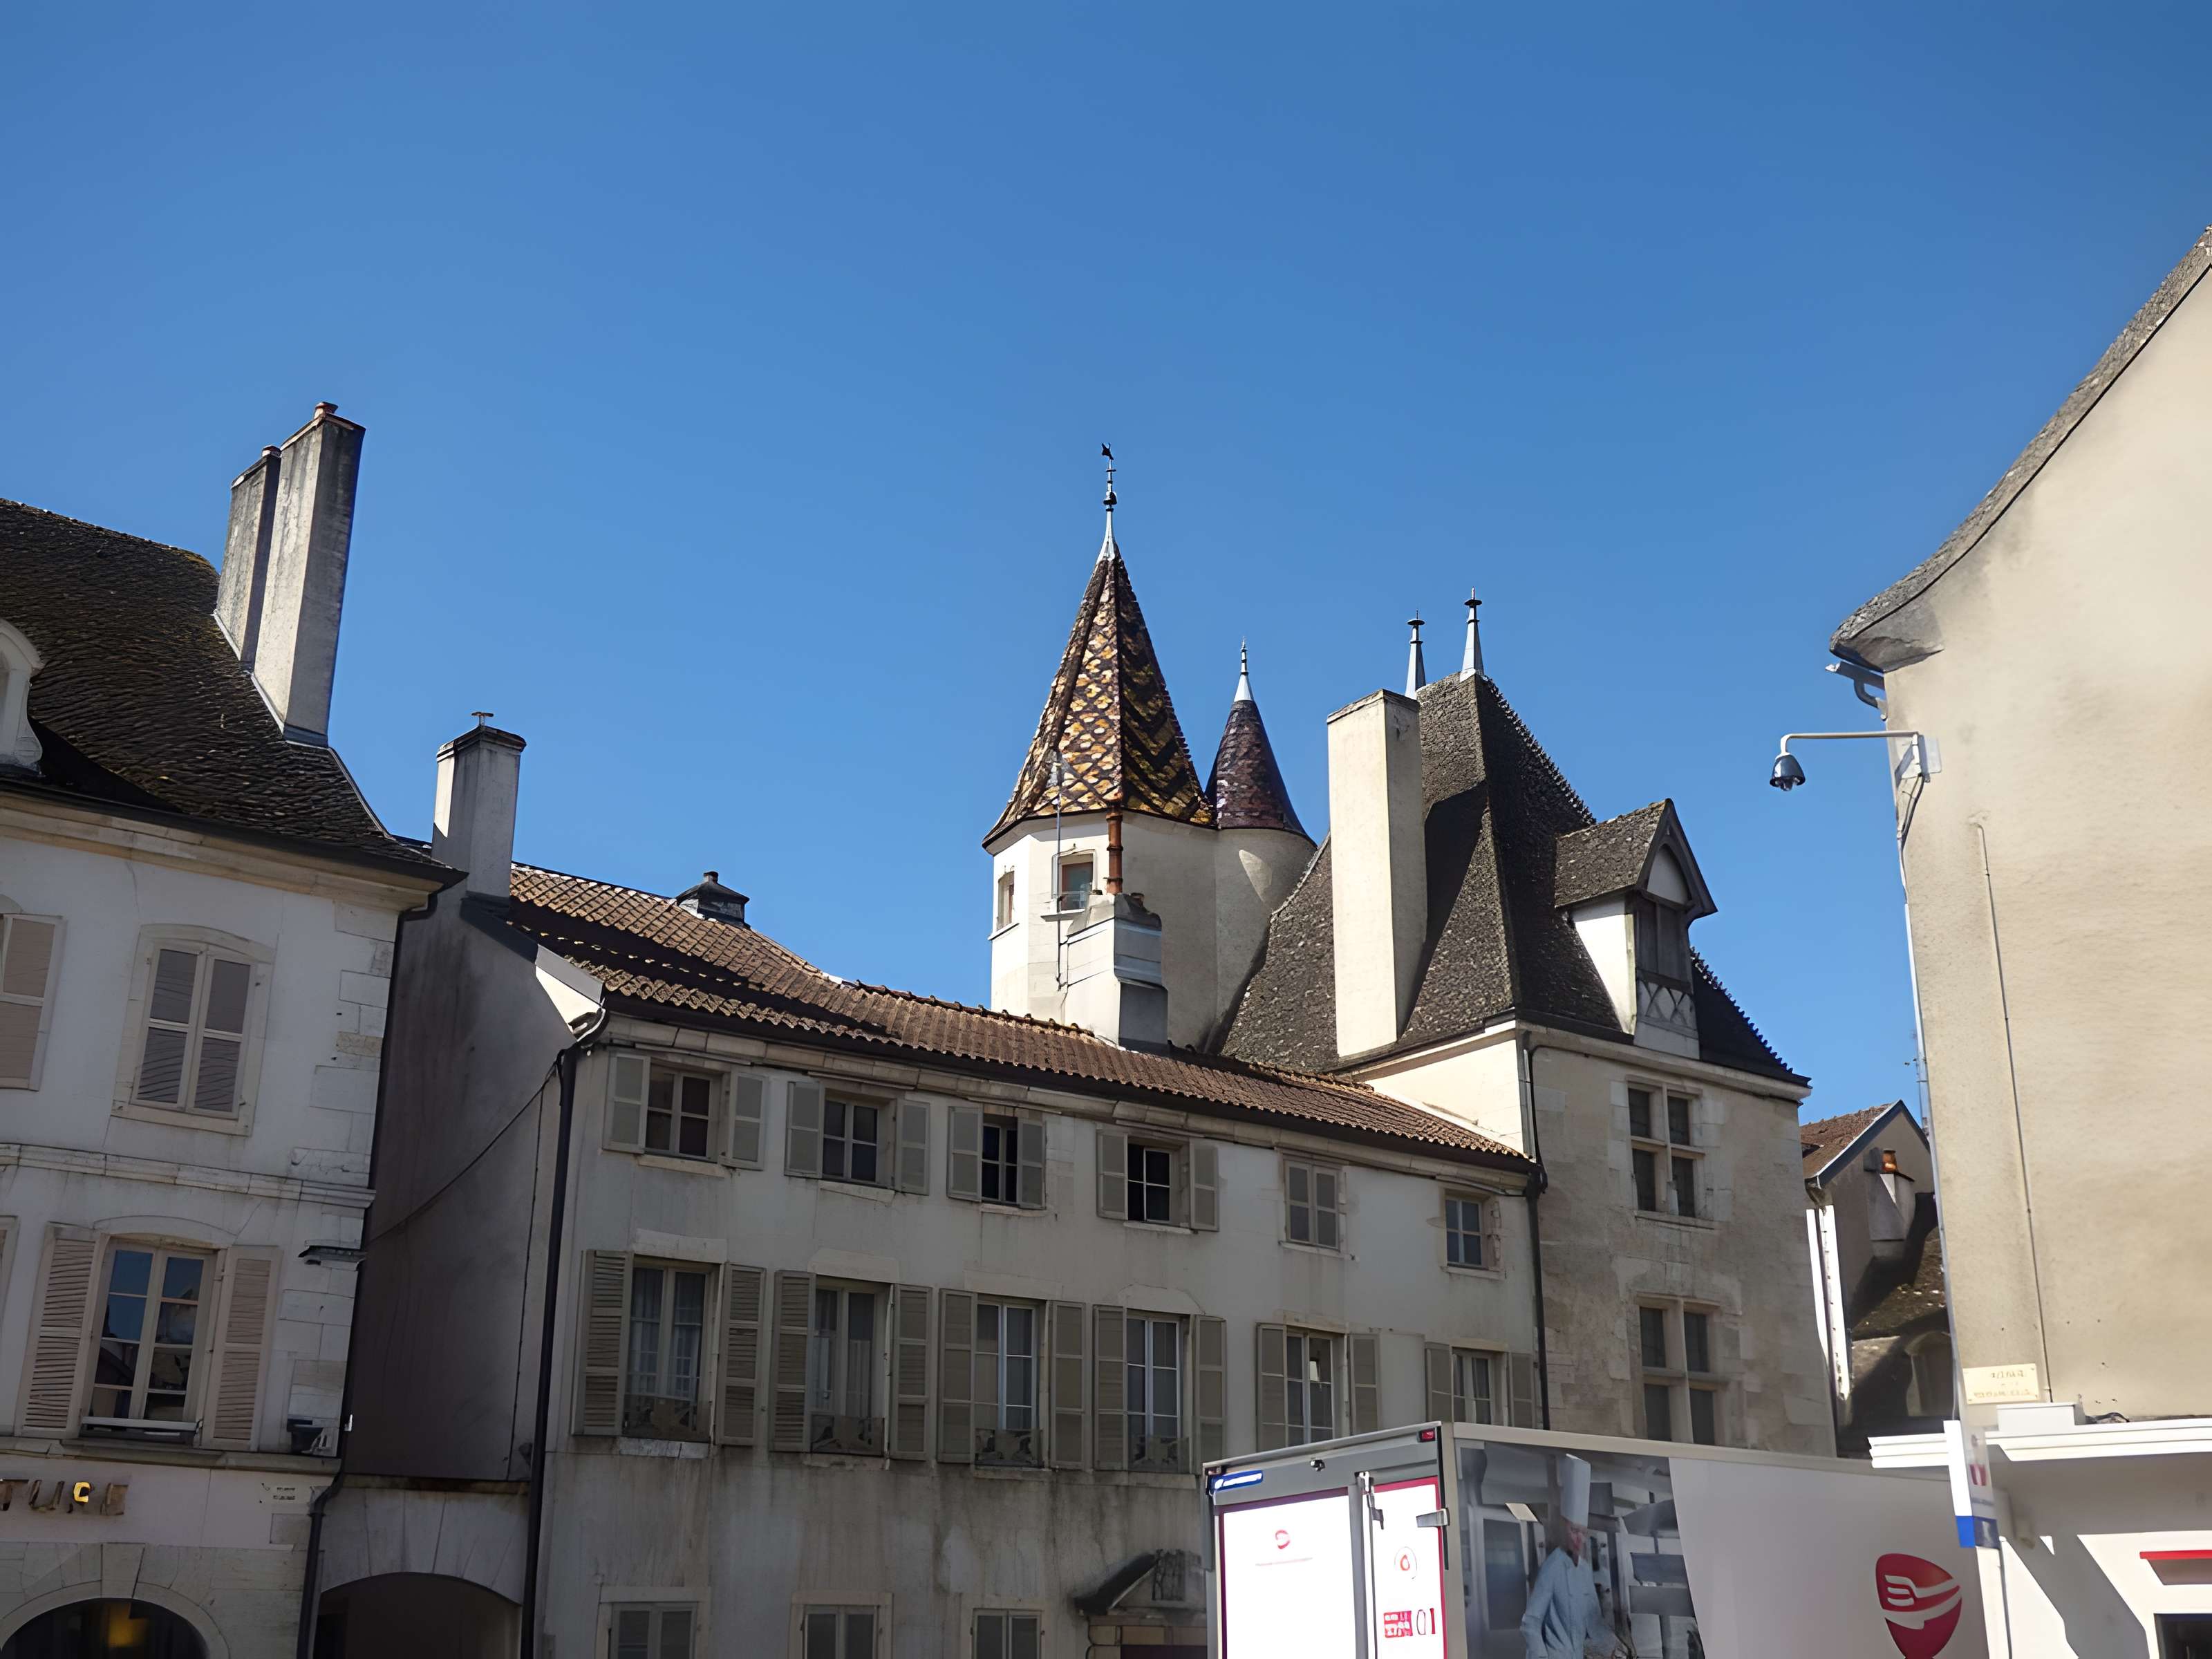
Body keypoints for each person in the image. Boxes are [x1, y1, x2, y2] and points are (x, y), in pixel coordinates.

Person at [1519, 1455, 1618, 1658]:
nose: (1578, 1538)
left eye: (1583, 1532)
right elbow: (1530, 1622)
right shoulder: (1553, 1566)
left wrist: (1615, 1649)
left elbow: (1595, 1623)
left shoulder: (1583, 1570)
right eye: (1574, 1530)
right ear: (1564, 1526)